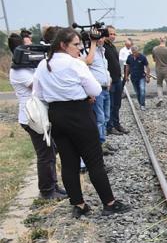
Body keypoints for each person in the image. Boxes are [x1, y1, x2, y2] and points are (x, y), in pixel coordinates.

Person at [32, 27, 128, 217]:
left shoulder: (44, 65)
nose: (79, 49)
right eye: (75, 45)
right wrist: (83, 94)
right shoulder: (75, 64)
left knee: (68, 164)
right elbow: (95, 89)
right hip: (79, 114)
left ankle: (79, 205)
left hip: (57, 116)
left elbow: (38, 94)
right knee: (94, 161)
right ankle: (109, 203)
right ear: (63, 45)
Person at [8, 33, 64, 200]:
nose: (31, 49)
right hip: (32, 118)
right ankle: (47, 191)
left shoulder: (28, 65)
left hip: (40, 116)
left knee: (51, 150)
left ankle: (53, 185)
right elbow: (39, 86)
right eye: (27, 47)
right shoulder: (18, 71)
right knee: (45, 155)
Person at [82, 32, 113, 154]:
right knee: (99, 118)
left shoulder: (102, 52)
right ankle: (99, 144)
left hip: (105, 88)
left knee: (106, 116)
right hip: (98, 90)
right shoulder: (89, 52)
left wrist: (108, 80)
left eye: (102, 37)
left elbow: (103, 69)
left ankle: (103, 140)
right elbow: (87, 66)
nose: (102, 39)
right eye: (99, 37)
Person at [103, 26, 128, 135]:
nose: (112, 36)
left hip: (118, 79)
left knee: (117, 104)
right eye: (110, 34)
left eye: (114, 34)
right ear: (105, 34)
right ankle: (110, 127)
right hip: (111, 80)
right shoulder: (103, 47)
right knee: (111, 105)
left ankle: (117, 124)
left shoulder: (112, 46)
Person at [152, 37, 167, 106]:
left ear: (159, 41)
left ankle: (160, 98)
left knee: (159, 84)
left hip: (158, 69)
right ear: (166, 41)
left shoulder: (154, 49)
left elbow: (154, 59)